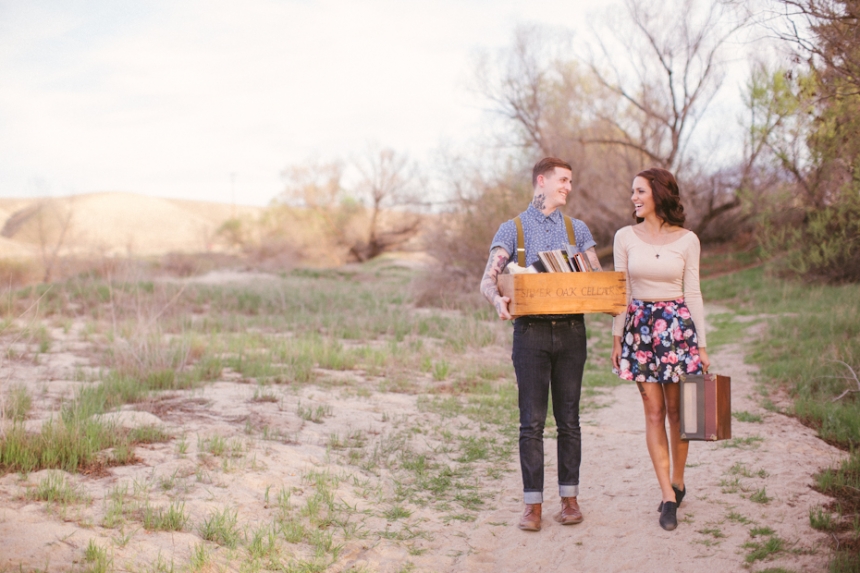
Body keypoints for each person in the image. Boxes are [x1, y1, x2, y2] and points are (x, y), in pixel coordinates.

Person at [480, 157, 603, 532]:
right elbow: (488, 279)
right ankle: (532, 505)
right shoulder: (512, 229)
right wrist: (498, 301)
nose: (568, 186)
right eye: (563, 180)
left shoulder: (577, 229)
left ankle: (569, 500)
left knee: (569, 421)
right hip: (530, 336)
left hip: (571, 334)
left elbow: (597, 280)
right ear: (542, 181)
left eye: (570, 180)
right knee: (531, 423)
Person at [610, 167, 711, 531]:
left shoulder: (688, 240)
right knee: (653, 413)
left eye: (639, 191)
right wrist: (617, 337)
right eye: (632, 192)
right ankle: (667, 497)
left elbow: (694, 294)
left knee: (678, 414)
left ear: (658, 193)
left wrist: (701, 344)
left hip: (678, 331)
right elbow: (623, 291)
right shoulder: (624, 236)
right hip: (640, 332)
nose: (634, 198)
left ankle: (678, 480)